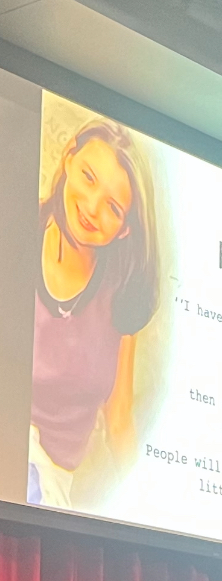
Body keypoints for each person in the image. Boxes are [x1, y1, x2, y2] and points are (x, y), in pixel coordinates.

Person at [28, 117, 160, 509]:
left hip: (45, 485)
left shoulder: (124, 290)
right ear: (68, 159)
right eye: (88, 176)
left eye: (113, 207)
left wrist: (154, 510)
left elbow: (118, 418)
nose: (90, 207)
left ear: (124, 230)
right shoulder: (15, 229)